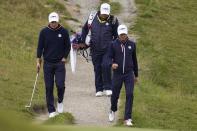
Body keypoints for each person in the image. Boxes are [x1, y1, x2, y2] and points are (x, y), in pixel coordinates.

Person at [36, 12, 71, 118]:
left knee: (60, 85)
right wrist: (38, 61)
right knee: (49, 87)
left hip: (60, 63)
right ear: (49, 21)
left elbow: (68, 46)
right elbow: (39, 47)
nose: (54, 23)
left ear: (58, 21)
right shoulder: (44, 32)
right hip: (47, 63)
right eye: (52, 22)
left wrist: (65, 57)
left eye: (55, 21)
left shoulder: (64, 31)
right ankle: (51, 110)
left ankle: (60, 101)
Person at [81, 3, 119, 97]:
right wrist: (83, 41)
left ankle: (108, 88)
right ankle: (99, 89)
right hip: (95, 48)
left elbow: (117, 35)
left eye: (106, 13)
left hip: (108, 49)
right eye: (103, 13)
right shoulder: (92, 18)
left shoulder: (113, 20)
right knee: (97, 68)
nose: (105, 15)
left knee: (106, 66)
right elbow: (85, 29)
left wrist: (114, 46)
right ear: (100, 11)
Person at [108, 24, 138, 126]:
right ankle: (112, 109)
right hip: (117, 74)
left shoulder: (132, 45)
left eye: (124, 34)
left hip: (129, 74)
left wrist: (136, 75)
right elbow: (108, 58)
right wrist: (112, 64)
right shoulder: (113, 44)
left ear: (126, 34)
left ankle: (127, 118)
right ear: (118, 34)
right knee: (115, 95)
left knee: (130, 94)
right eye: (121, 35)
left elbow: (134, 60)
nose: (122, 36)